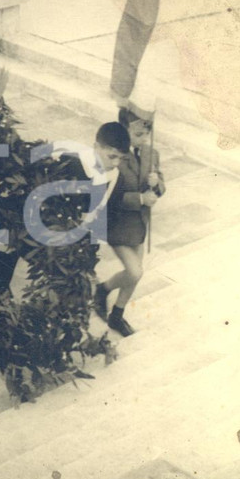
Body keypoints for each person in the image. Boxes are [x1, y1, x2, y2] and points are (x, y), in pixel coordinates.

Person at [94, 112, 164, 337]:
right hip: (119, 226)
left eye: (146, 134)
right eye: (138, 134)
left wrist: (157, 184)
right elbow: (112, 197)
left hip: (140, 225)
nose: (143, 138)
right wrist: (140, 199)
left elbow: (160, 187)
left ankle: (117, 314)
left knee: (136, 274)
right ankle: (102, 289)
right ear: (125, 131)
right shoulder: (117, 158)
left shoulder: (151, 154)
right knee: (135, 272)